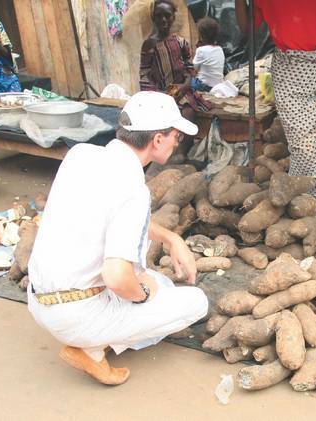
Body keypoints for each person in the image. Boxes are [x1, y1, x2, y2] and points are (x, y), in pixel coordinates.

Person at [27, 91, 208, 386]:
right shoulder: (134, 191)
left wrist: (172, 238)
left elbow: (112, 213)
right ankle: (92, 349)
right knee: (194, 302)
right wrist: (142, 294)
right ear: (158, 140)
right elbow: (116, 276)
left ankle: (93, 339)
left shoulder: (81, 155)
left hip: (39, 300)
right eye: (176, 135)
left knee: (160, 282)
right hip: (76, 315)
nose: (178, 142)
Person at [236, 0, 316, 196]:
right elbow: (247, 28)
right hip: (287, 73)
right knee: (300, 142)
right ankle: (307, 194)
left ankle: (309, 193)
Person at [139, 0, 209, 114]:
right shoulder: (148, 46)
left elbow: (190, 69)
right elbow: (144, 76)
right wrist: (160, 95)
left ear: (173, 17)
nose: (163, 20)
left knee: (187, 112)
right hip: (158, 96)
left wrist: (185, 86)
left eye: (167, 15)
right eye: (159, 16)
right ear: (153, 18)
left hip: (182, 93)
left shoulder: (181, 42)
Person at [191, 17, 225, 92]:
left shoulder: (201, 50)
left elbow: (194, 68)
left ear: (201, 36)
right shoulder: (220, 49)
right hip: (218, 85)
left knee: (188, 82)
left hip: (204, 86)